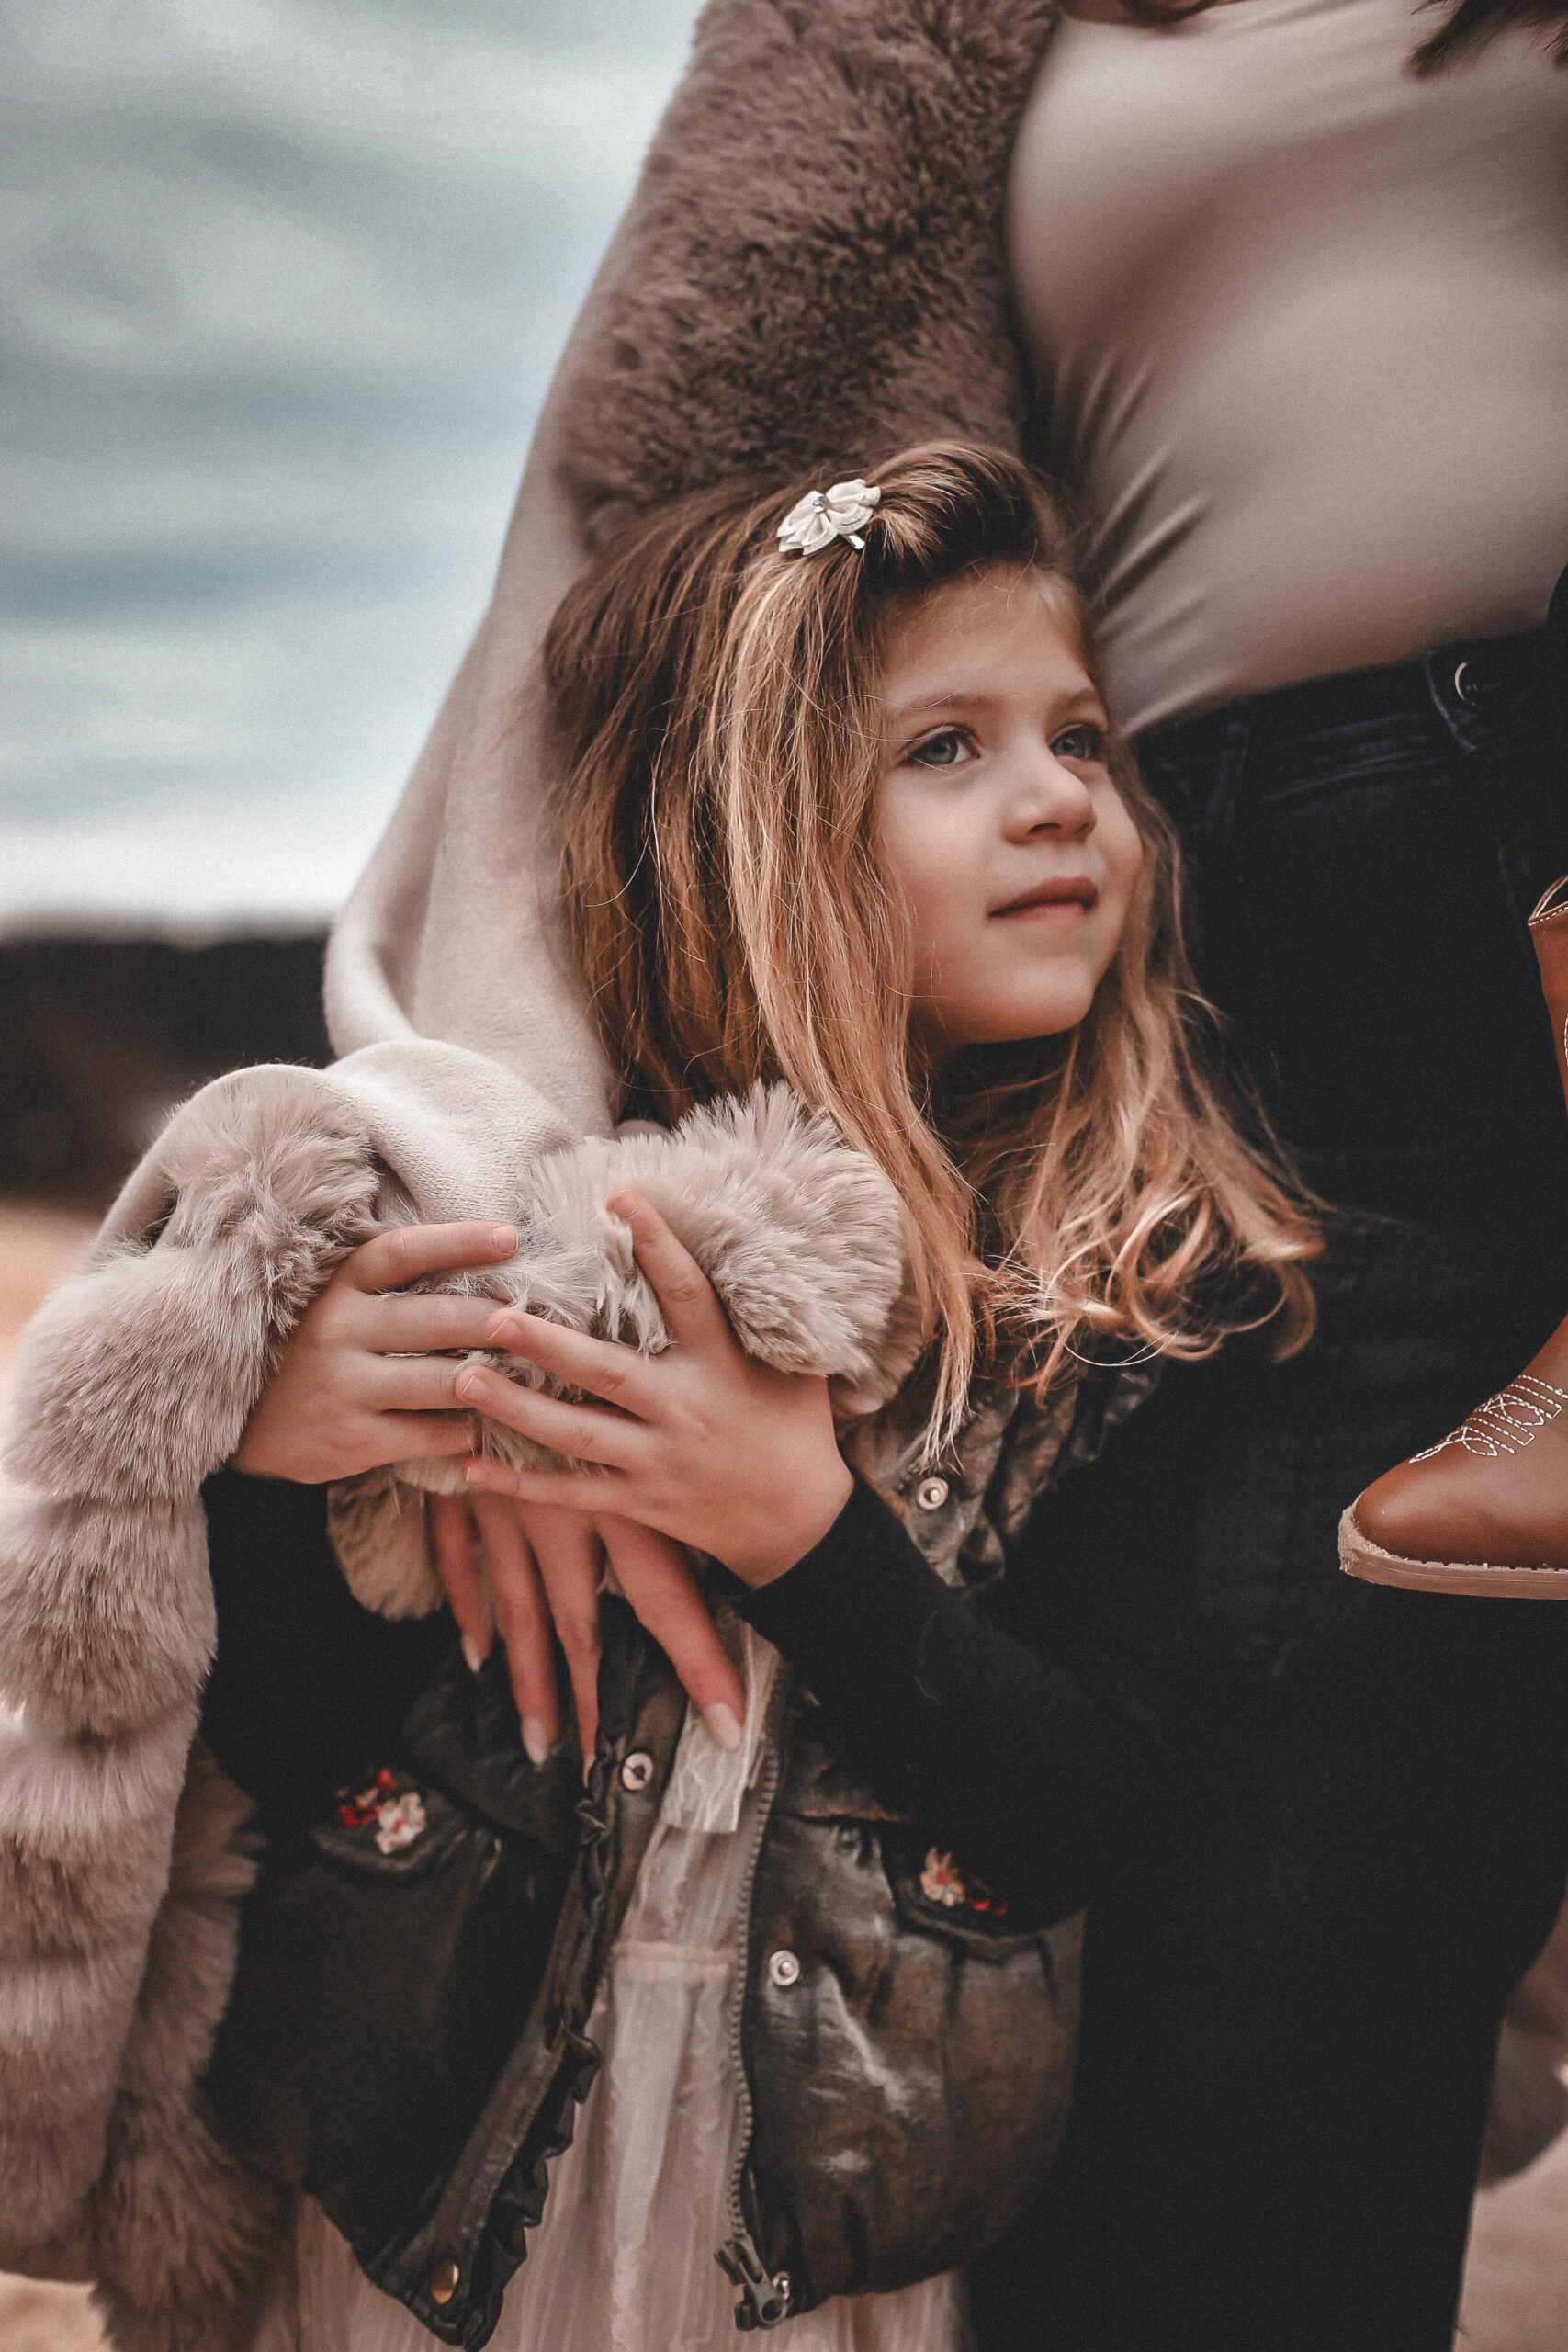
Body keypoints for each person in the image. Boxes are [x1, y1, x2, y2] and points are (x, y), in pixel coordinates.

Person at [206, 443, 1316, 2349]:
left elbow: (1089, 1819)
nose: (1059, 798)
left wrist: (796, 1528)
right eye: (944, 748)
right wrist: (267, 1445)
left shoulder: (1126, 1287)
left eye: (1080, 734)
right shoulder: (512, 1248)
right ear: (749, 830)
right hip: (434, 2210)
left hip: (818, 2246)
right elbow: (295, 1740)